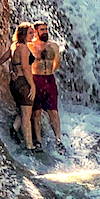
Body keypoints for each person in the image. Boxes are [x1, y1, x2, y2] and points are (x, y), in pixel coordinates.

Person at [0, 22, 37, 150]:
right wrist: (32, 85)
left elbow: (4, 60)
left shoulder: (14, 46)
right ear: (22, 34)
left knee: (22, 111)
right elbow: (25, 68)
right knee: (27, 117)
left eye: (33, 33)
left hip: (14, 84)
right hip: (24, 83)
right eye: (30, 33)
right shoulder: (24, 48)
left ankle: (14, 128)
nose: (32, 35)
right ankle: (29, 145)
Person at [29, 20, 63, 150]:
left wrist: (49, 73)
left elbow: (56, 63)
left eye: (46, 29)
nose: (45, 32)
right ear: (36, 32)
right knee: (36, 112)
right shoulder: (30, 46)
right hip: (35, 79)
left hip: (49, 80)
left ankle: (58, 140)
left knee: (53, 112)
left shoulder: (53, 46)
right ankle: (38, 141)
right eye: (42, 30)